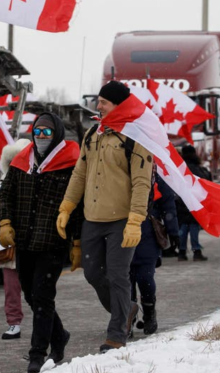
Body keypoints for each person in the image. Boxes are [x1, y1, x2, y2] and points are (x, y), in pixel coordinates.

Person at [59, 81, 153, 353]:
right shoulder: (93, 134)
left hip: (122, 219)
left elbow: (141, 181)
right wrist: (67, 206)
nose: (97, 106)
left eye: (103, 102)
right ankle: (126, 310)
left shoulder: (136, 137)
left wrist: (135, 219)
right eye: (98, 101)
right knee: (92, 273)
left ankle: (116, 334)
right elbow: (80, 174)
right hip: (93, 218)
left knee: (117, 275)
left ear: (118, 106)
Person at [0, 113, 82, 372]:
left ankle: (37, 354)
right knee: (31, 296)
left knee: (43, 298)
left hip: (52, 242)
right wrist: (5, 222)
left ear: (56, 133)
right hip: (24, 240)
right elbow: (6, 194)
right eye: (37, 131)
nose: (41, 136)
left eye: (46, 132)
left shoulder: (71, 164)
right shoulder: (22, 161)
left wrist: (77, 241)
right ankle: (59, 336)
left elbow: (78, 206)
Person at [128, 176, 178, 339]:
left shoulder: (155, 178)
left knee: (145, 278)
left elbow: (168, 205)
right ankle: (126, 318)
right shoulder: (118, 173)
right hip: (121, 232)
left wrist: (173, 231)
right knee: (124, 280)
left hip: (148, 235)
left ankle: (149, 312)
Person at [0, 139, 31, 341]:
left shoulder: (37, 179)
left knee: (36, 287)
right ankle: (13, 323)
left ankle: (45, 322)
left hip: (32, 241)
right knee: (11, 287)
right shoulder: (2, 182)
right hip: (9, 242)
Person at [176, 145, 210, 262]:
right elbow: (204, 182)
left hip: (181, 200)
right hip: (194, 201)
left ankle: (181, 251)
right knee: (194, 226)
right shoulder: (197, 168)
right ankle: (196, 251)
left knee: (183, 227)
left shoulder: (179, 168)